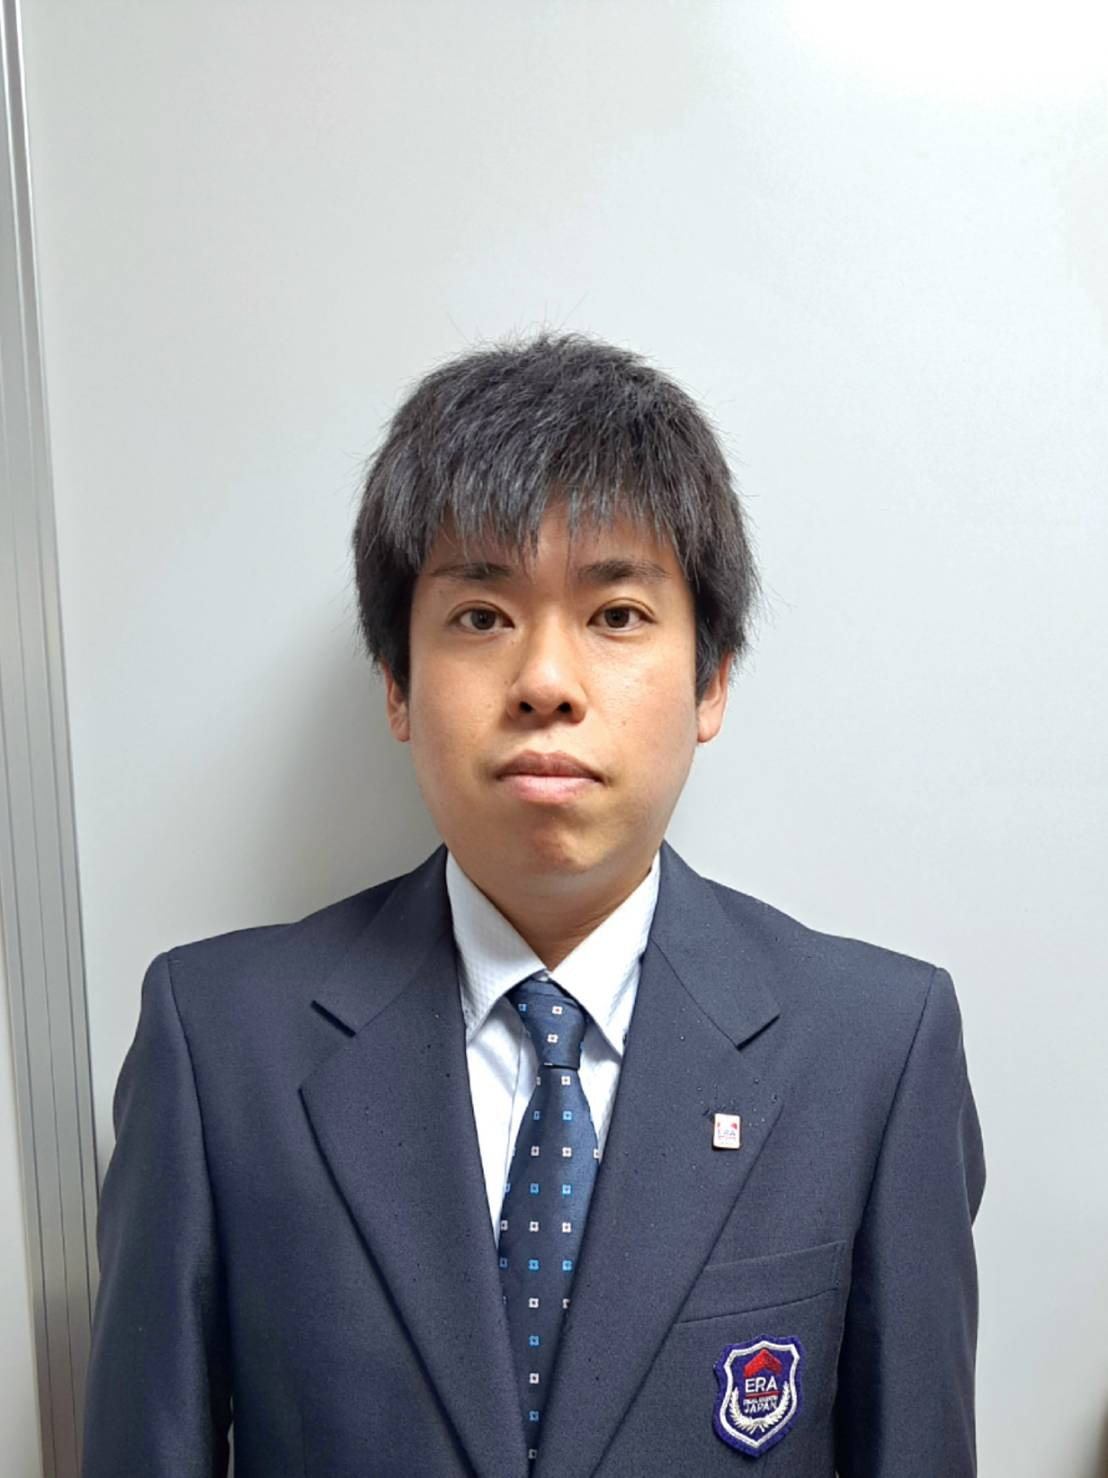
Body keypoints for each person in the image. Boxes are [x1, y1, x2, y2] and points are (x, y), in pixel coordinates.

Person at [82, 333, 985, 1477]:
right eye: (480, 615)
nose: (546, 681)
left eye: (616, 613)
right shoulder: (218, 1042)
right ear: (397, 683)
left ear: (710, 678)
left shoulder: (874, 1049)